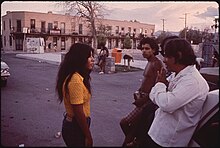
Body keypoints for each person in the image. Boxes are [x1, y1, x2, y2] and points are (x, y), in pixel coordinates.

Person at [146, 38, 209, 147]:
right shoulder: (177, 74)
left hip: (169, 140)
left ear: (178, 56)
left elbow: (166, 104)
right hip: (157, 132)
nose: (164, 60)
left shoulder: (192, 81)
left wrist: (160, 85)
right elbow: (152, 94)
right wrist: (160, 89)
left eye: (167, 56)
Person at [119, 37, 164, 147]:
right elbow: (146, 82)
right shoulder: (149, 63)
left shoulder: (156, 64)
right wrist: (138, 92)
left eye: (147, 48)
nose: (144, 51)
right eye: (142, 48)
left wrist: (144, 100)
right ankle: (136, 140)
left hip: (147, 103)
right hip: (142, 100)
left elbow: (157, 85)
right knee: (133, 127)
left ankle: (135, 141)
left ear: (153, 50)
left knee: (125, 122)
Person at [55, 43, 94, 147]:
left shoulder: (79, 77)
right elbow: (78, 112)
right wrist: (88, 136)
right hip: (75, 127)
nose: (92, 59)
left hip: (77, 126)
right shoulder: (75, 80)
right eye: (89, 56)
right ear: (80, 59)